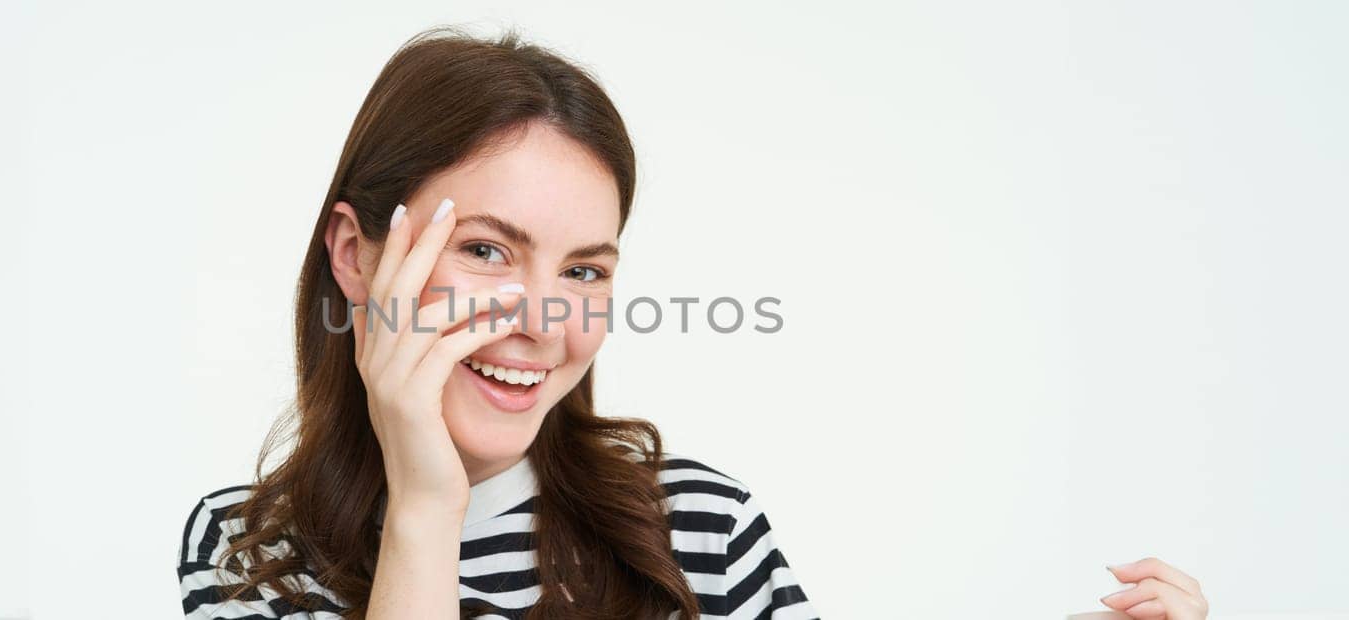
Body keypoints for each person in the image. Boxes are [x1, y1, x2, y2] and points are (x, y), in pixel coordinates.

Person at [177, 28, 1210, 620]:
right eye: (487, 248)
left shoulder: (689, 523)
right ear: (356, 255)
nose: (543, 319)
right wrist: (425, 508)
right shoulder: (246, 549)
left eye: (583, 268)